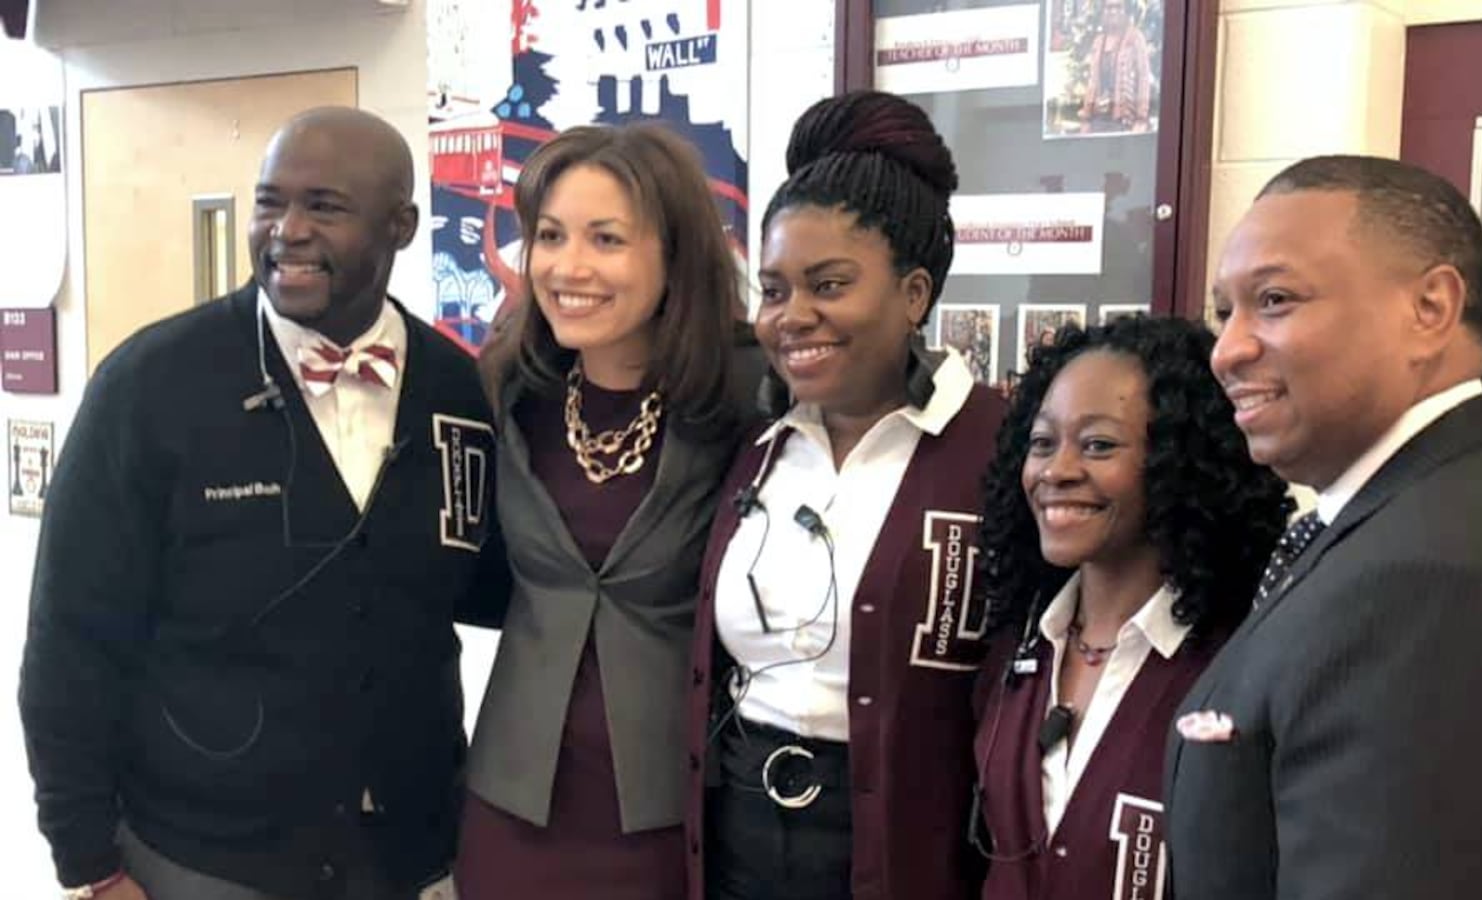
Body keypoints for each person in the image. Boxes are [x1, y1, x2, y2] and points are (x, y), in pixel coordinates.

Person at [20, 107, 509, 900]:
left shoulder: (458, 388)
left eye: (324, 205)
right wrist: (87, 863)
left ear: (402, 225)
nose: (287, 231)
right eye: (269, 202)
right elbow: (68, 643)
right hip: (200, 860)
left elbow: (488, 589)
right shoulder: (149, 386)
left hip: (410, 856)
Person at [1169, 155, 1482, 900]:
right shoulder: (1416, 512)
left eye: (1273, 300)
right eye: (1223, 312)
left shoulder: (1432, 585)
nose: (1227, 349)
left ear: (1430, 308)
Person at [682, 90, 1006, 900]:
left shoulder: (1002, 450)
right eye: (775, 289)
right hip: (738, 837)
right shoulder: (755, 449)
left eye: (829, 284)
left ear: (914, 294)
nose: (794, 317)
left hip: (904, 844)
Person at [455, 123, 760, 900]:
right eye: (549, 236)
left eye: (607, 239)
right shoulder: (506, 390)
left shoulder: (751, 399)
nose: (568, 267)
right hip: (512, 806)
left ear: (676, 256)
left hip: (675, 813)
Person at [971, 316, 1288, 899]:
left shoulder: (1237, 668)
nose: (1057, 471)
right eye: (1042, 443)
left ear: (1178, 462)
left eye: (1098, 445)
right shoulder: (1017, 649)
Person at [1077, 0, 1153, 134]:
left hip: (1125, 121)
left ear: (1126, 10)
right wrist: (1086, 119)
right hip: (1099, 120)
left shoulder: (1135, 38)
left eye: (1118, 7)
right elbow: (1092, 82)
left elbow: (1144, 78)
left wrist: (1141, 120)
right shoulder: (1099, 41)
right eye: (1109, 7)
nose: (1113, 11)